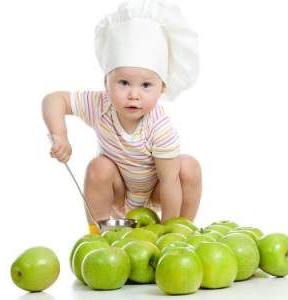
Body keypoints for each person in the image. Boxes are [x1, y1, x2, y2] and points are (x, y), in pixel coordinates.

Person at [42, 0, 202, 235]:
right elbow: (54, 100)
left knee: (188, 167)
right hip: (118, 192)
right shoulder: (100, 105)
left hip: (158, 190)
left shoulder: (160, 128)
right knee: (99, 167)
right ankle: (96, 234)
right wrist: (60, 135)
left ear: (162, 88)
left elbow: (169, 183)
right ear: (106, 82)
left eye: (146, 85)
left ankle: (182, 232)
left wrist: (167, 236)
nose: (134, 95)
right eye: (123, 82)